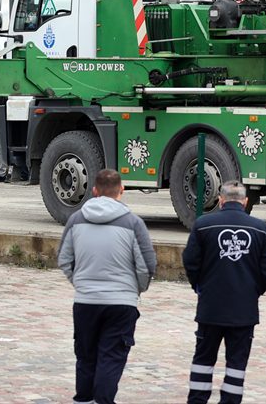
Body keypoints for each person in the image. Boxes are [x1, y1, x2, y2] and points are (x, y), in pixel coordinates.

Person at [58, 169, 157, 404]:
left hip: (85, 301)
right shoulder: (133, 223)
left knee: (85, 355)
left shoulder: (76, 219)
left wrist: (80, 282)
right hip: (121, 302)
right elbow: (146, 264)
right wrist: (136, 289)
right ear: (121, 190)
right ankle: (103, 400)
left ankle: (83, 399)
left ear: (94, 191)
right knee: (111, 356)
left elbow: (64, 258)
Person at [182, 180, 266, 404]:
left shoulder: (203, 225)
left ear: (220, 200)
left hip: (211, 307)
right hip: (243, 310)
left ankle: (197, 400)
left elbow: (190, 262)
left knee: (203, 360)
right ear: (245, 202)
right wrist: (254, 290)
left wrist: (200, 287)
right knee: (237, 364)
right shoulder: (260, 229)